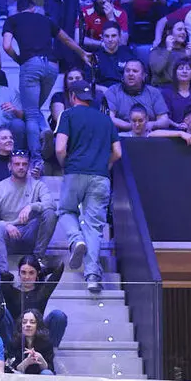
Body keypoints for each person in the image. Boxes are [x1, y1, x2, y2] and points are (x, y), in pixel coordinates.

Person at [55, 80, 120, 294]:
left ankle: (76, 240)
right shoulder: (106, 119)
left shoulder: (67, 115)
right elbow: (118, 152)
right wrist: (105, 166)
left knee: (65, 211)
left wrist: (65, 165)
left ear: (72, 96)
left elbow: (60, 148)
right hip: (101, 176)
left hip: (75, 171)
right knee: (94, 226)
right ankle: (92, 276)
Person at [0, 150, 57, 273]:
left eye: (24, 164)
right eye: (17, 164)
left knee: (50, 213)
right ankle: (3, 273)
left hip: (30, 233)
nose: (21, 167)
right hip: (8, 236)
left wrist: (31, 206)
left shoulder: (38, 185)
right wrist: (6, 225)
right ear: (10, 166)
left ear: (28, 166)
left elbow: (52, 204)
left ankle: (37, 258)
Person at [8, 309, 56, 376]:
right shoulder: (14, 343)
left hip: (40, 378)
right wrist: (27, 362)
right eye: (24, 322)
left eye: (32, 322)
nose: (28, 325)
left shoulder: (46, 343)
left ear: (38, 325)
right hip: (21, 377)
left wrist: (40, 358)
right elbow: (11, 369)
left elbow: (50, 370)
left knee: (47, 373)